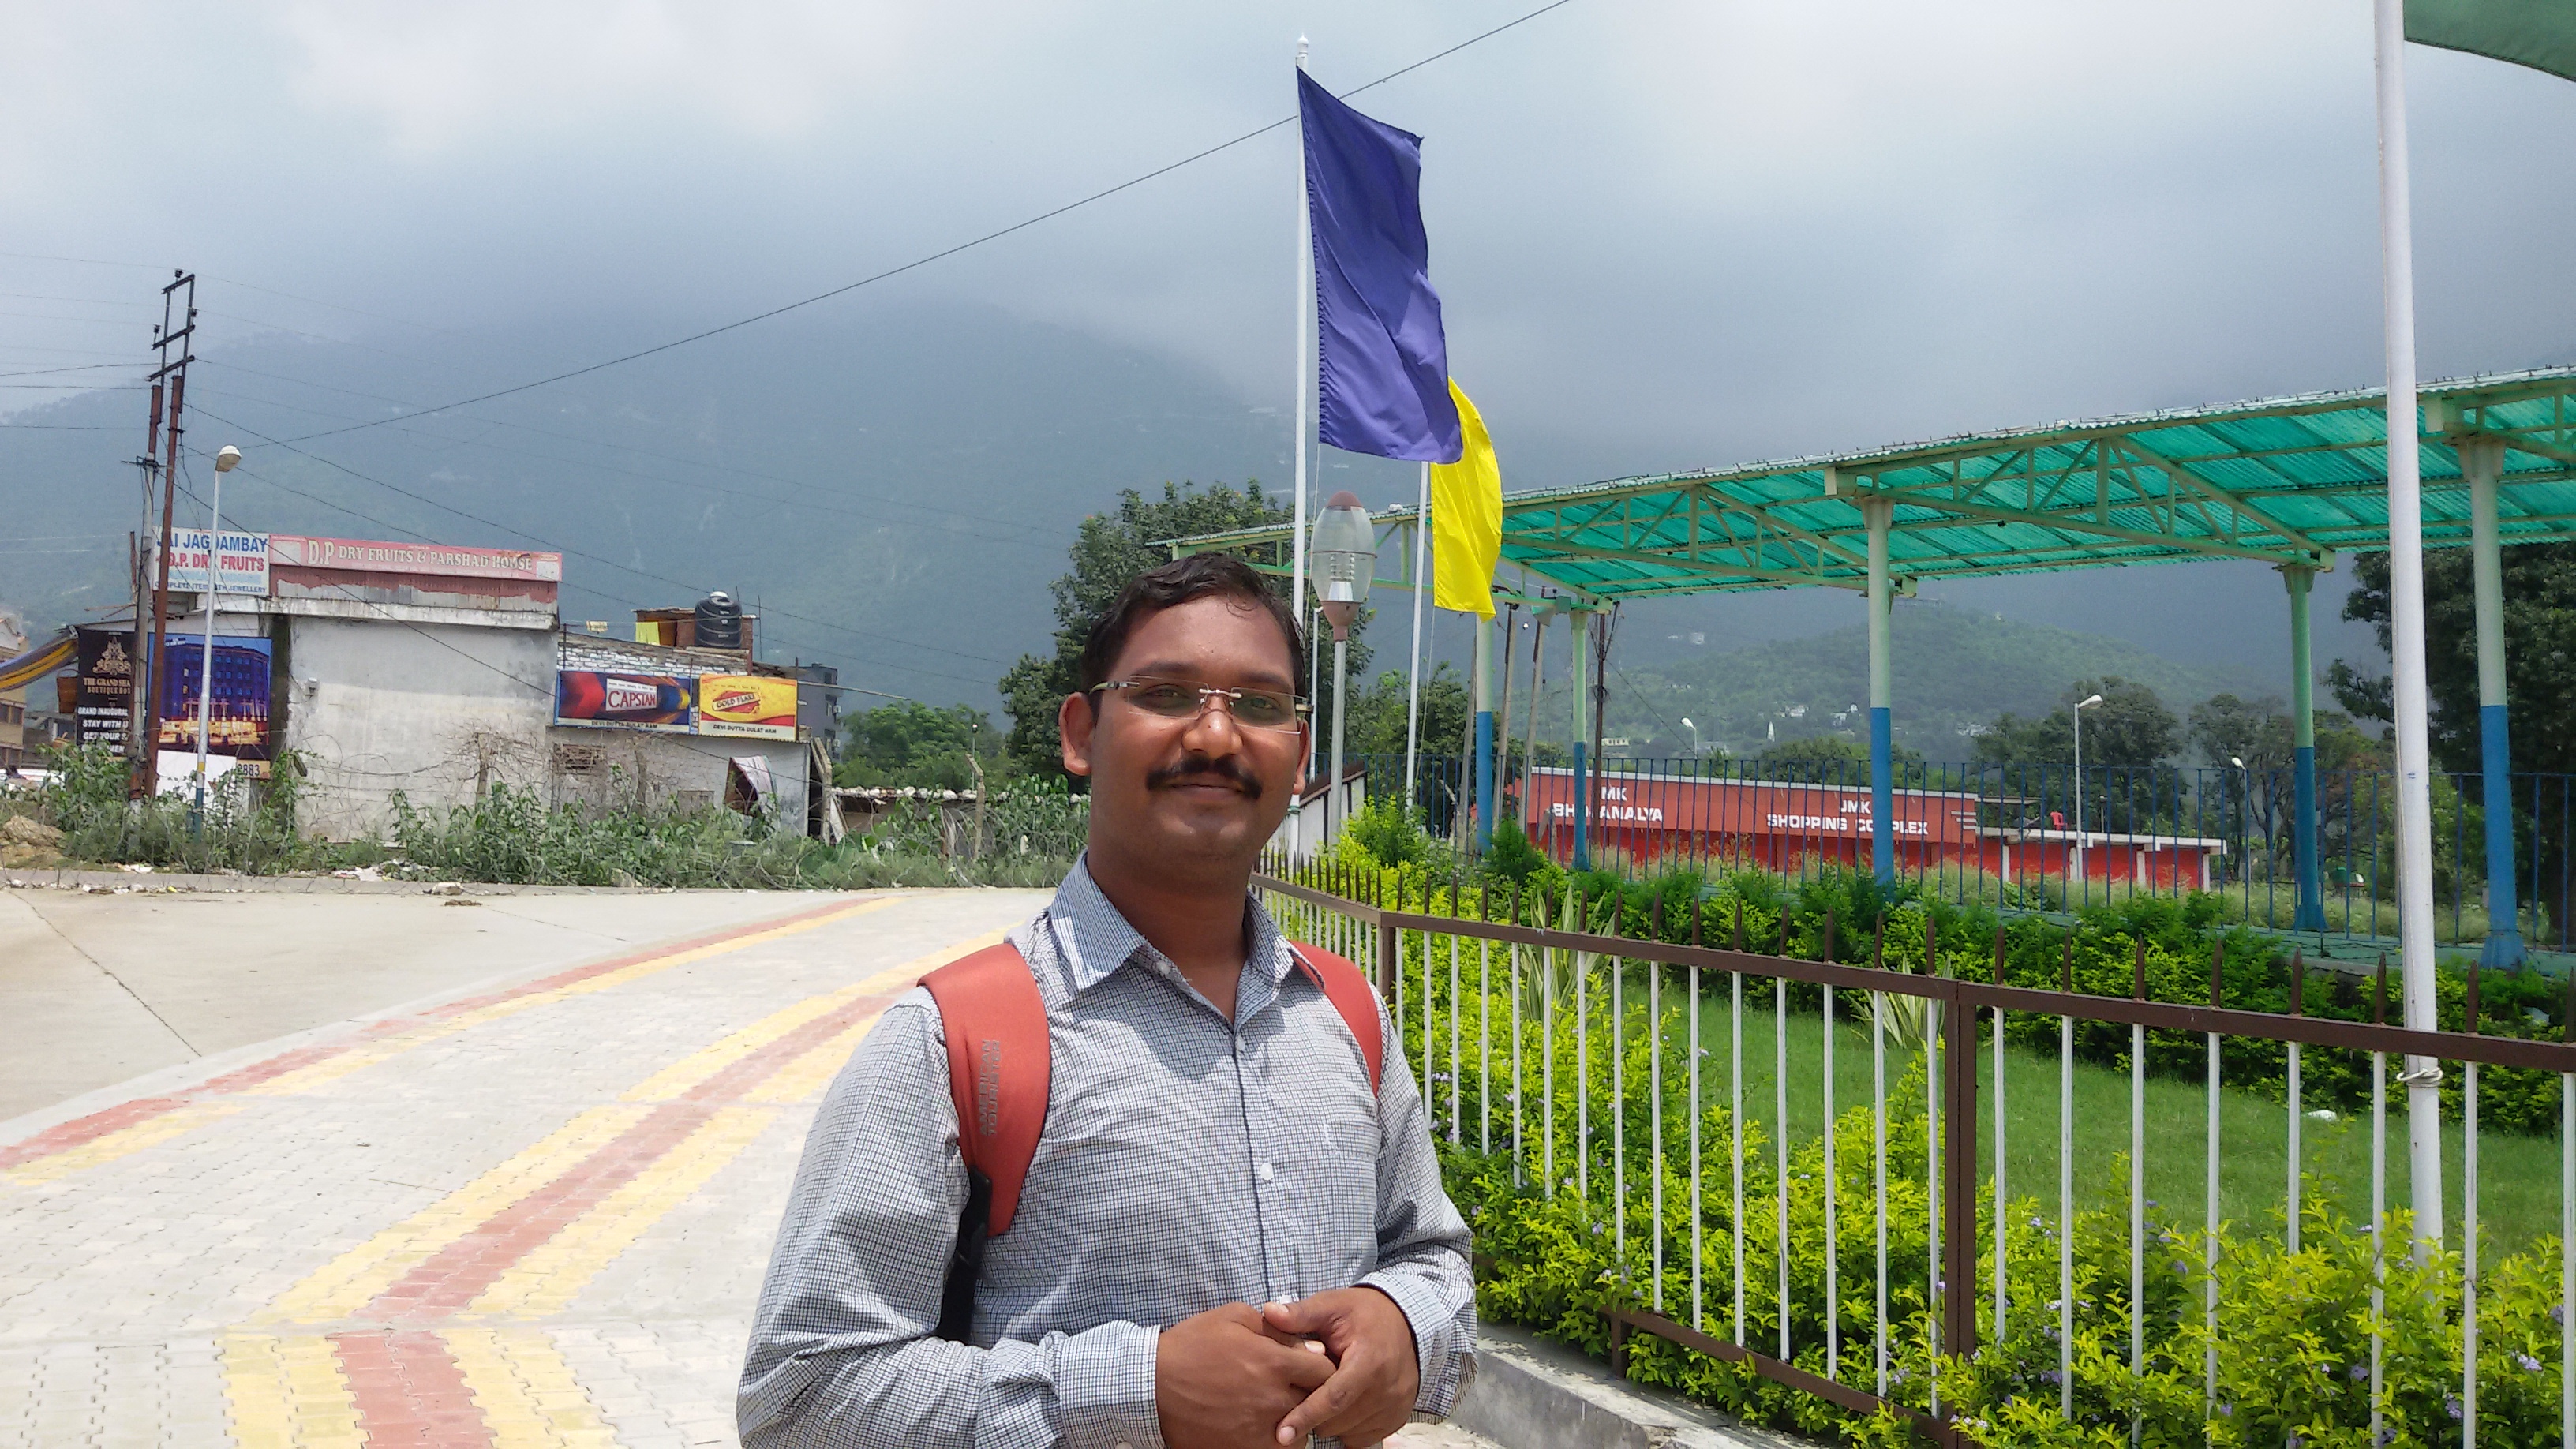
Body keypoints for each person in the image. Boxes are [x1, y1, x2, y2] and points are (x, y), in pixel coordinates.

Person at [740, 553, 1476, 1449]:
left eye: (1258, 704)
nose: (1217, 735)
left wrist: (1405, 1328)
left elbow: (1434, 1258)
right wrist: (1136, 1392)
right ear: (1082, 734)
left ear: (1299, 756)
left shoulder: (1344, 1015)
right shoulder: (956, 1043)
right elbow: (798, 1396)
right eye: (1166, 694)